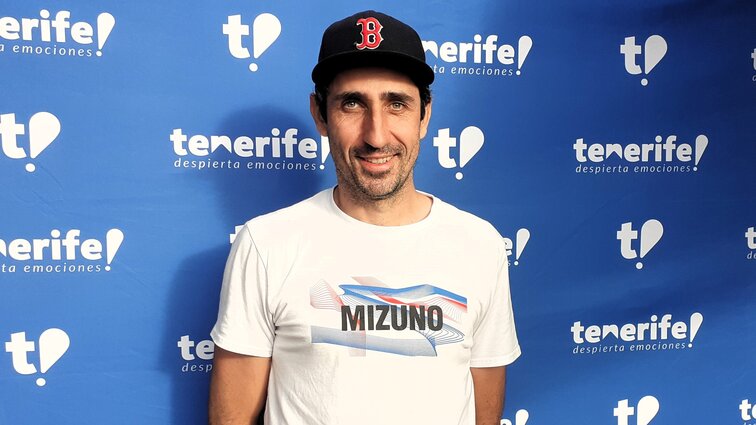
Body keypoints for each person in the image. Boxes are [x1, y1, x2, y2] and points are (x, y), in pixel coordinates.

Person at [208, 10, 520, 425]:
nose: (376, 135)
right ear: (320, 115)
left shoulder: (479, 245)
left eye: (397, 104)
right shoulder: (266, 243)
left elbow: (485, 409)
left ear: (424, 116)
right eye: (352, 104)